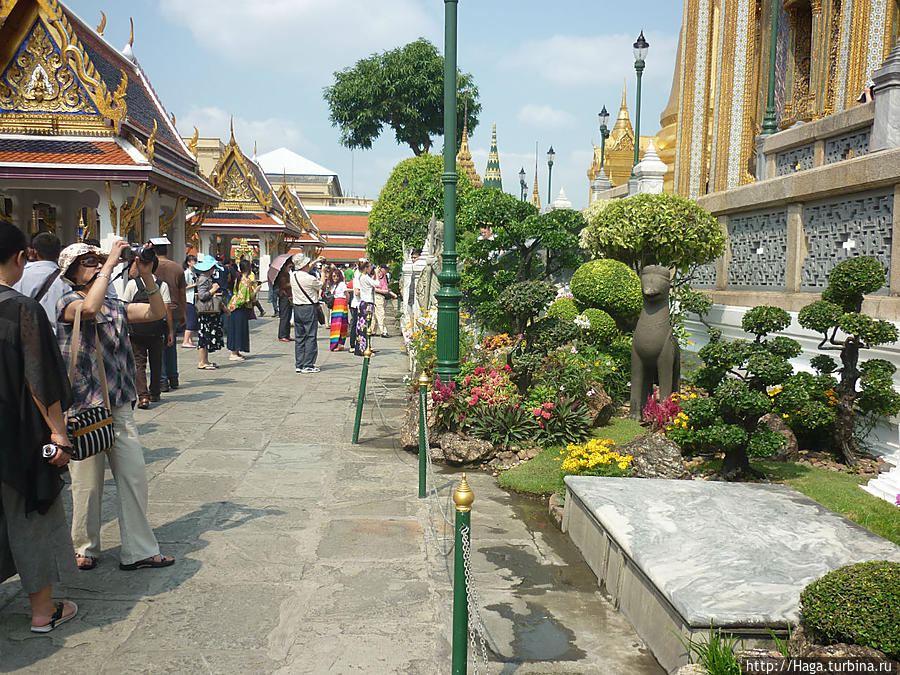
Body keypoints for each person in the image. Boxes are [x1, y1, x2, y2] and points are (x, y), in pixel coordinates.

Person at [56, 238, 175, 572]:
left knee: (134, 476)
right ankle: (85, 546)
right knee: (86, 484)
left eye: (98, 261)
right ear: (72, 273)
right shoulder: (67, 302)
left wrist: (147, 275)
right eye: (89, 263)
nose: (96, 266)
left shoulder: (114, 303)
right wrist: (109, 264)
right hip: (85, 407)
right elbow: (88, 310)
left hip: (119, 404)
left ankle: (138, 549)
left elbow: (155, 312)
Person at [0, 220, 78, 633]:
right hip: (16, 436)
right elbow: (40, 380)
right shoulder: (20, 309)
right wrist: (59, 433)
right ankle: (42, 611)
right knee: (30, 513)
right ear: (20, 258)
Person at [122, 261, 172, 409]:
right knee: (156, 362)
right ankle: (155, 392)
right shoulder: (162, 285)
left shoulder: (132, 284)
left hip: (137, 331)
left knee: (139, 363)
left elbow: (125, 307)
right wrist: (170, 331)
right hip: (156, 330)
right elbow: (167, 309)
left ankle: (143, 396)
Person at [12, 232, 67, 336]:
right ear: (59, 252)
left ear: (35, 252)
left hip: (26, 335)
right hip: (56, 336)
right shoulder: (66, 279)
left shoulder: (21, 275)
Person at [152, 240, 186, 392]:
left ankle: (163, 379)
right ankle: (173, 377)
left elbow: (132, 275)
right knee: (171, 345)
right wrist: (184, 311)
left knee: (159, 346)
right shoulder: (177, 268)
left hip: (155, 309)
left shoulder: (150, 266)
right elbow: (182, 293)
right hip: (174, 308)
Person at [290, 252, 324, 373]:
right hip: (309, 308)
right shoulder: (310, 278)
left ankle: (299, 363)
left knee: (299, 337)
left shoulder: (293, 276)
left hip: (297, 308)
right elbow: (321, 285)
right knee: (310, 336)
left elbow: (304, 269)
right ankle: (308, 364)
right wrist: (323, 273)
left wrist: (314, 261)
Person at [194, 255, 224, 370]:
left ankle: (205, 360)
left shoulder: (206, 279)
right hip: (205, 313)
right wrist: (213, 290)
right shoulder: (203, 280)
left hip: (208, 313)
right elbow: (202, 296)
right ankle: (202, 362)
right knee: (203, 336)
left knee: (206, 336)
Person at [226, 260, 253, 361]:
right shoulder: (245, 281)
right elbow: (245, 297)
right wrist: (255, 291)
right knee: (237, 329)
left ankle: (236, 351)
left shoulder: (239, 278)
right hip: (239, 307)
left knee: (237, 328)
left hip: (234, 306)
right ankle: (234, 352)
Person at [354, 260, 378, 356]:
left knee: (361, 327)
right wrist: (376, 273)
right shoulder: (365, 277)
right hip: (367, 303)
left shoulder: (361, 277)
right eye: (369, 267)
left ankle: (361, 348)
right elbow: (377, 284)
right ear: (366, 268)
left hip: (363, 303)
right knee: (366, 327)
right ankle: (364, 349)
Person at [372, 265, 397, 338]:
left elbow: (386, 286)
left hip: (383, 296)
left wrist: (390, 293)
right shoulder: (377, 276)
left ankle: (372, 330)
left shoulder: (384, 276)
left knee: (376, 314)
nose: (386, 271)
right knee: (381, 314)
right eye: (385, 269)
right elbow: (374, 288)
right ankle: (383, 331)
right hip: (378, 295)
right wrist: (383, 291)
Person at [328, 267, 349, 351]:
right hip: (335, 305)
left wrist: (345, 304)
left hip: (342, 304)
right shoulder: (332, 285)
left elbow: (347, 295)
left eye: (337, 276)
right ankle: (335, 344)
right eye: (333, 276)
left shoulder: (342, 284)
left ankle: (340, 344)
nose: (335, 278)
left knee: (342, 325)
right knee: (335, 325)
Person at [182, 255, 198, 348]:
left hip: (194, 298)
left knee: (194, 319)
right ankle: (185, 340)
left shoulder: (193, 273)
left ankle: (190, 340)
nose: (195, 263)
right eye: (193, 261)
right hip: (188, 298)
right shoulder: (186, 273)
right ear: (188, 262)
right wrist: (195, 284)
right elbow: (184, 287)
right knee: (190, 320)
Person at [275, 261, 293, 342]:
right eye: (289, 267)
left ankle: (287, 334)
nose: (290, 269)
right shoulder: (281, 274)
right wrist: (292, 283)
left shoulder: (287, 274)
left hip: (289, 296)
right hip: (284, 296)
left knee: (288, 316)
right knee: (284, 316)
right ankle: (282, 335)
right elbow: (283, 285)